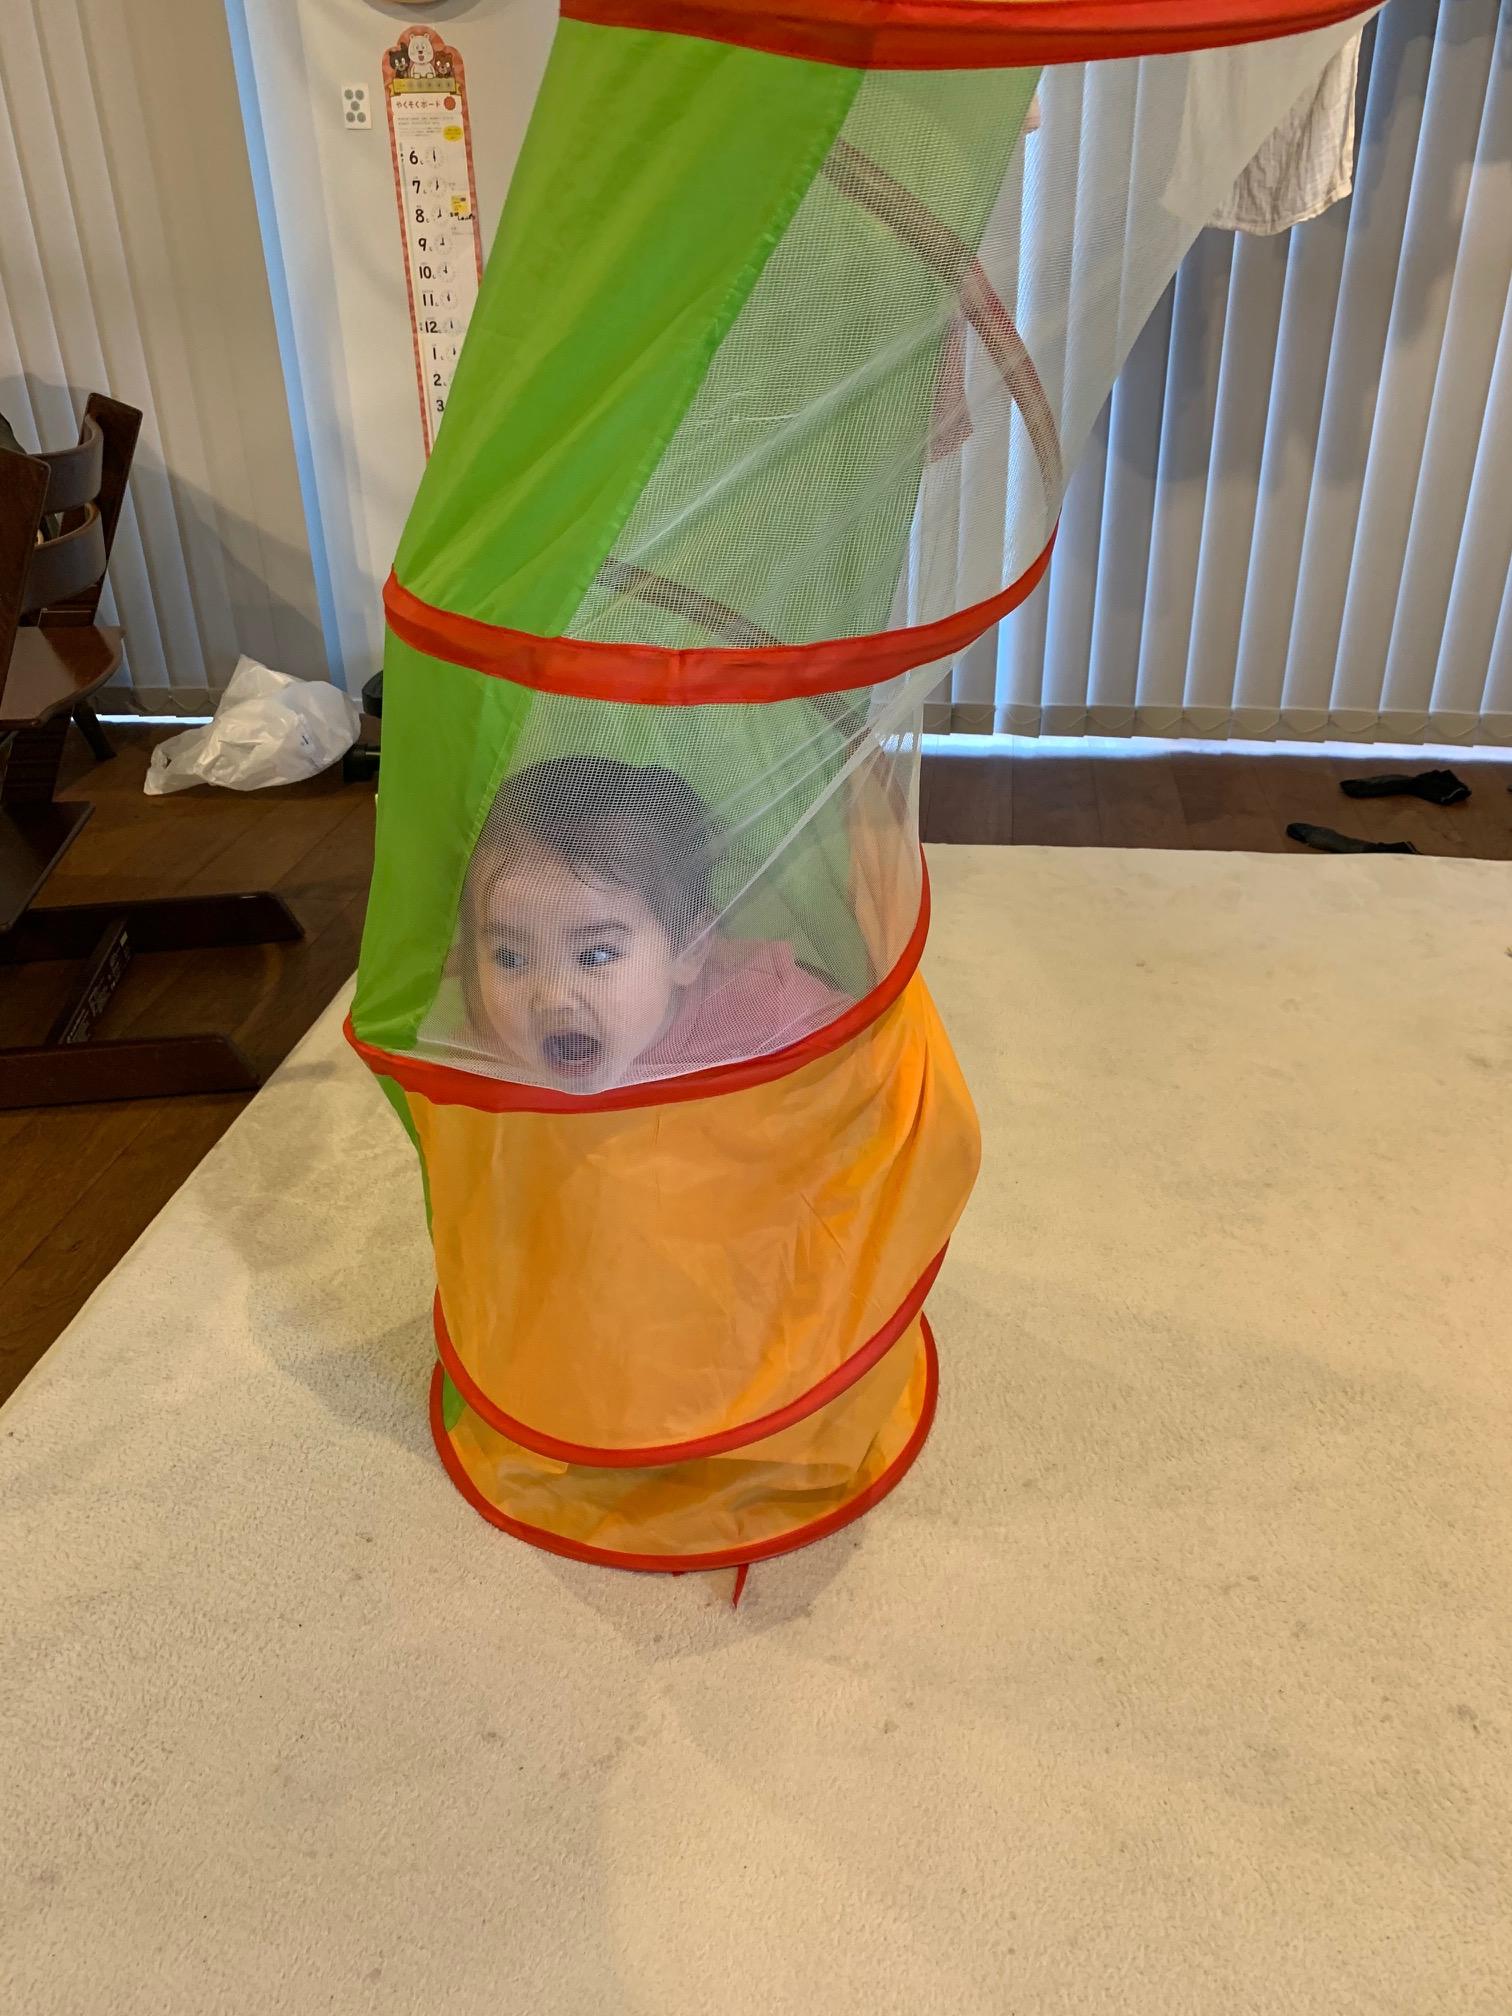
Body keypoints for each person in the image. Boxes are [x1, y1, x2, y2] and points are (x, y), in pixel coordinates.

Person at [459, 756, 848, 1091]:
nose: (552, 998)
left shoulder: (767, 1007)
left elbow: (864, 1071)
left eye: (595, 955)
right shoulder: (490, 1036)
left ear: (690, 949)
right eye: (510, 957)